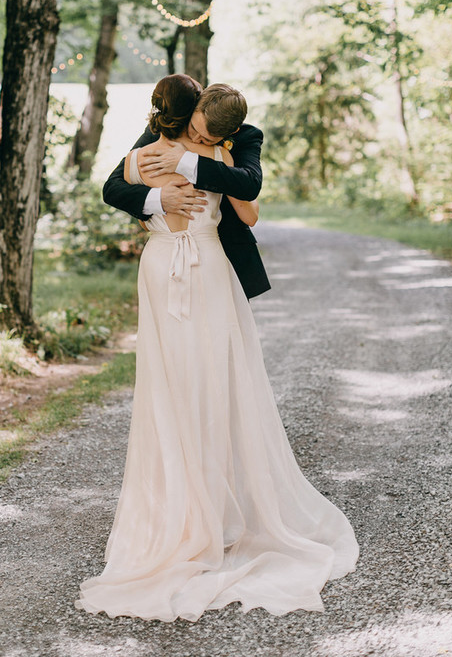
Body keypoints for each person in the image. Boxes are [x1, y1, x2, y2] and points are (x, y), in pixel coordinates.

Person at [76, 76, 359, 622]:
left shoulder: (231, 143)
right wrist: (158, 197)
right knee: (183, 389)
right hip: (176, 270)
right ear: (186, 111)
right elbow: (117, 188)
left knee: (211, 389)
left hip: (192, 270)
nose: (192, 131)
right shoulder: (174, 141)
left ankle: (207, 514)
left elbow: (246, 197)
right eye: (192, 125)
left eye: (203, 129)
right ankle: (192, 517)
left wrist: (187, 168)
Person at [102, 79, 271, 300]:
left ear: (233, 131)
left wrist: (186, 161)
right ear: (196, 106)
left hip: (226, 253)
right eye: (194, 129)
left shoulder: (247, 137)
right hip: (167, 256)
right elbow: (113, 187)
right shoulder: (168, 125)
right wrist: (160, 199)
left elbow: (249, 185)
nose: (195, 138)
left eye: (207, 140)